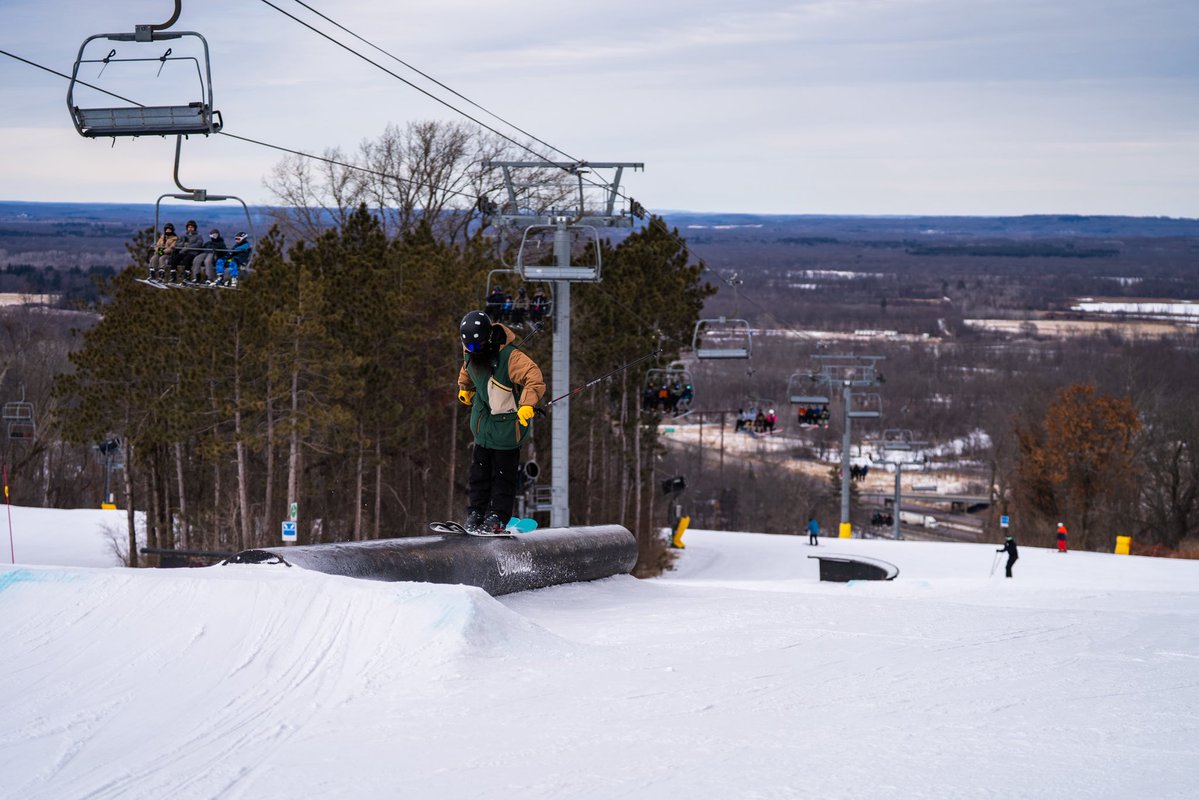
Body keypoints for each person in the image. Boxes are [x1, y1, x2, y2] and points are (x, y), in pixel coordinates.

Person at [456, 310, 546, 533]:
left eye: (477, 347)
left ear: (487, 340)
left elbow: (534, 377)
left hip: (507, 429)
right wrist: (464, 387)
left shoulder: (511, 358)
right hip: (484, 428)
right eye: (469, 347)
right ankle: (476, 512)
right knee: (479, 475)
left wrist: (527, 404)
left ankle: (497, 516)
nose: (472, 351)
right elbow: (467, 367)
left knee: (503, 477)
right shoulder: (471, 350)